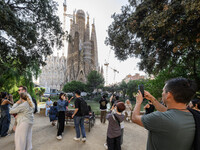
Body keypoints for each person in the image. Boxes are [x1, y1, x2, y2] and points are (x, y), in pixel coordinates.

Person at [132, 77, 197, 150]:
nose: (162, 93)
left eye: (163, 91)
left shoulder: (160, 118)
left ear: (168, 95)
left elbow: (135, 118)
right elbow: (168, 111)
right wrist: (152, 99)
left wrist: (138, 102)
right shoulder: (193, 115)